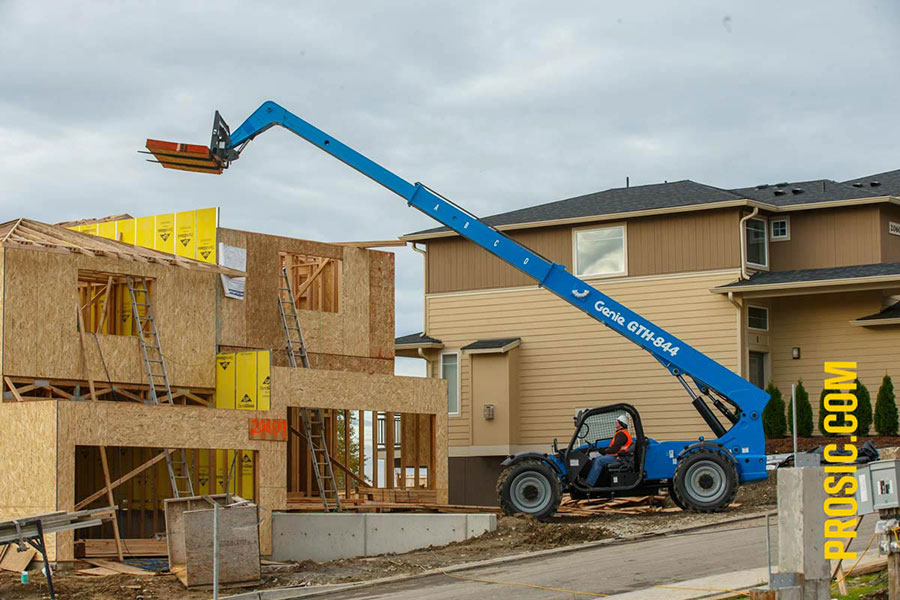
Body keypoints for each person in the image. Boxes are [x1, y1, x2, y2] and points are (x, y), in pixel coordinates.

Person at [585, 414, 633, 486]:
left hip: (620, 458)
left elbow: (614, 449)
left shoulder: (621, 435)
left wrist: (603, 451)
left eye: (617, 421)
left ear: (621, 424)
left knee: (599, 460)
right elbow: (613, 447)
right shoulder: (621, 433)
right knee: (593, 456)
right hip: (617, 456)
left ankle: (589, 483)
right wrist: (602, 450)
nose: (615, 423)